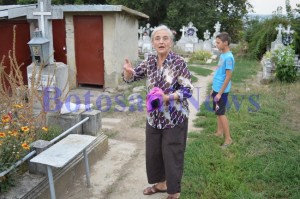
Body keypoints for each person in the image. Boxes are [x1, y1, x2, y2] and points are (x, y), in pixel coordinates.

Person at [122, 25, 193, 199]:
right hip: (154, 117)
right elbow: (133, 77)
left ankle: (174, 192)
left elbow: (188, 90)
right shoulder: (149, 61)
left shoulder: (178, 62)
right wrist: (128, 73)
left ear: (171, 42)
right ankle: (161, 184)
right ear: (153, 42)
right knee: (154, 153)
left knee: (172, 154)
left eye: (165, 38)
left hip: (174, 119)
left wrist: (167, 97)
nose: (161, 41)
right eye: (157, 38)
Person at [210, 32, 235, 148]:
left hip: (222, 91)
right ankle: (219, 133)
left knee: (221, 113)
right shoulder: (222, 55)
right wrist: (213, 89)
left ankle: (228, 139)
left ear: (225, 43)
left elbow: (228, 76)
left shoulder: (229, 57)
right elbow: (219, 72)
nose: (217, 45)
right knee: (218, 112)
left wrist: (219, 93)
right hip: (217, 88)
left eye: (218, 43)